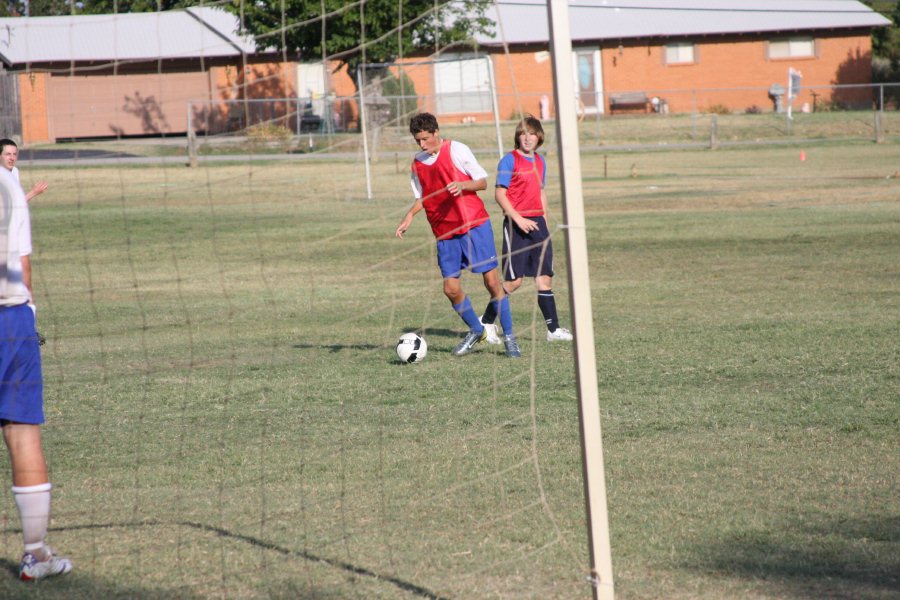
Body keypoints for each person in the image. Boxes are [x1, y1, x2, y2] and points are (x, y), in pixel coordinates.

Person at [0, 139, 72, 581]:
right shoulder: (8, 190)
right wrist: (29, 307)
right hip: (8, 319)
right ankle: (35, 552)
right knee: (23, 432)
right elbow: (22, 267)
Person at [395, 113, 520, 358]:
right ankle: (476, 330)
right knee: (450, 289)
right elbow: (423, 197)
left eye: (425, 139)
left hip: (473, 224)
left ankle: (510, 338)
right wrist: (409, 216)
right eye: (417, 140)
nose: (422, 144)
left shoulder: (457, 150)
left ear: (436, 132)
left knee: (492, 283)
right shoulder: (417, 164)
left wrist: (462, 185)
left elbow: (482, 182)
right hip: (444, 231)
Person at [481, 116, 573, 342]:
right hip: (515, 226)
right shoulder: (508, 161)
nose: (527, 137)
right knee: (514, 281)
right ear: (518, 137)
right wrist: (518, 219)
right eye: (523, 133)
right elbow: (499, 194)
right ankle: (486, 323)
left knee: (544, 277)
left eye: (532, 133)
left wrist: (545, 218)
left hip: (538, 225)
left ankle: (553, 330)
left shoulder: (540, 161)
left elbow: (540, 191)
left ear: (539, 137)